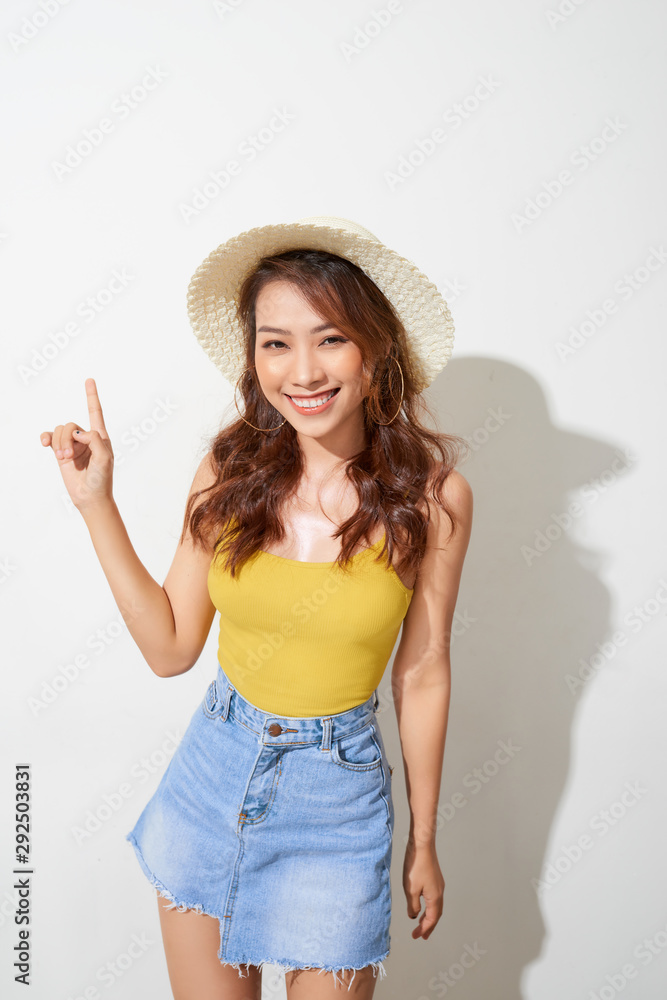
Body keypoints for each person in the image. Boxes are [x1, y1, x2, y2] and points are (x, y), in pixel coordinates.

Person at [40, 216, 473, 999]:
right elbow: (171, 649)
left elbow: (425, 671)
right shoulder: (228, 469)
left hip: (337, 806)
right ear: (252, 358)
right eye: (275, 342)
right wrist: (96, 504)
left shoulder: (431, 499)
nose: (301, 369)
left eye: (330, 338)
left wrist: (424, 838)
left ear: (376, 354)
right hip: (213, 776)